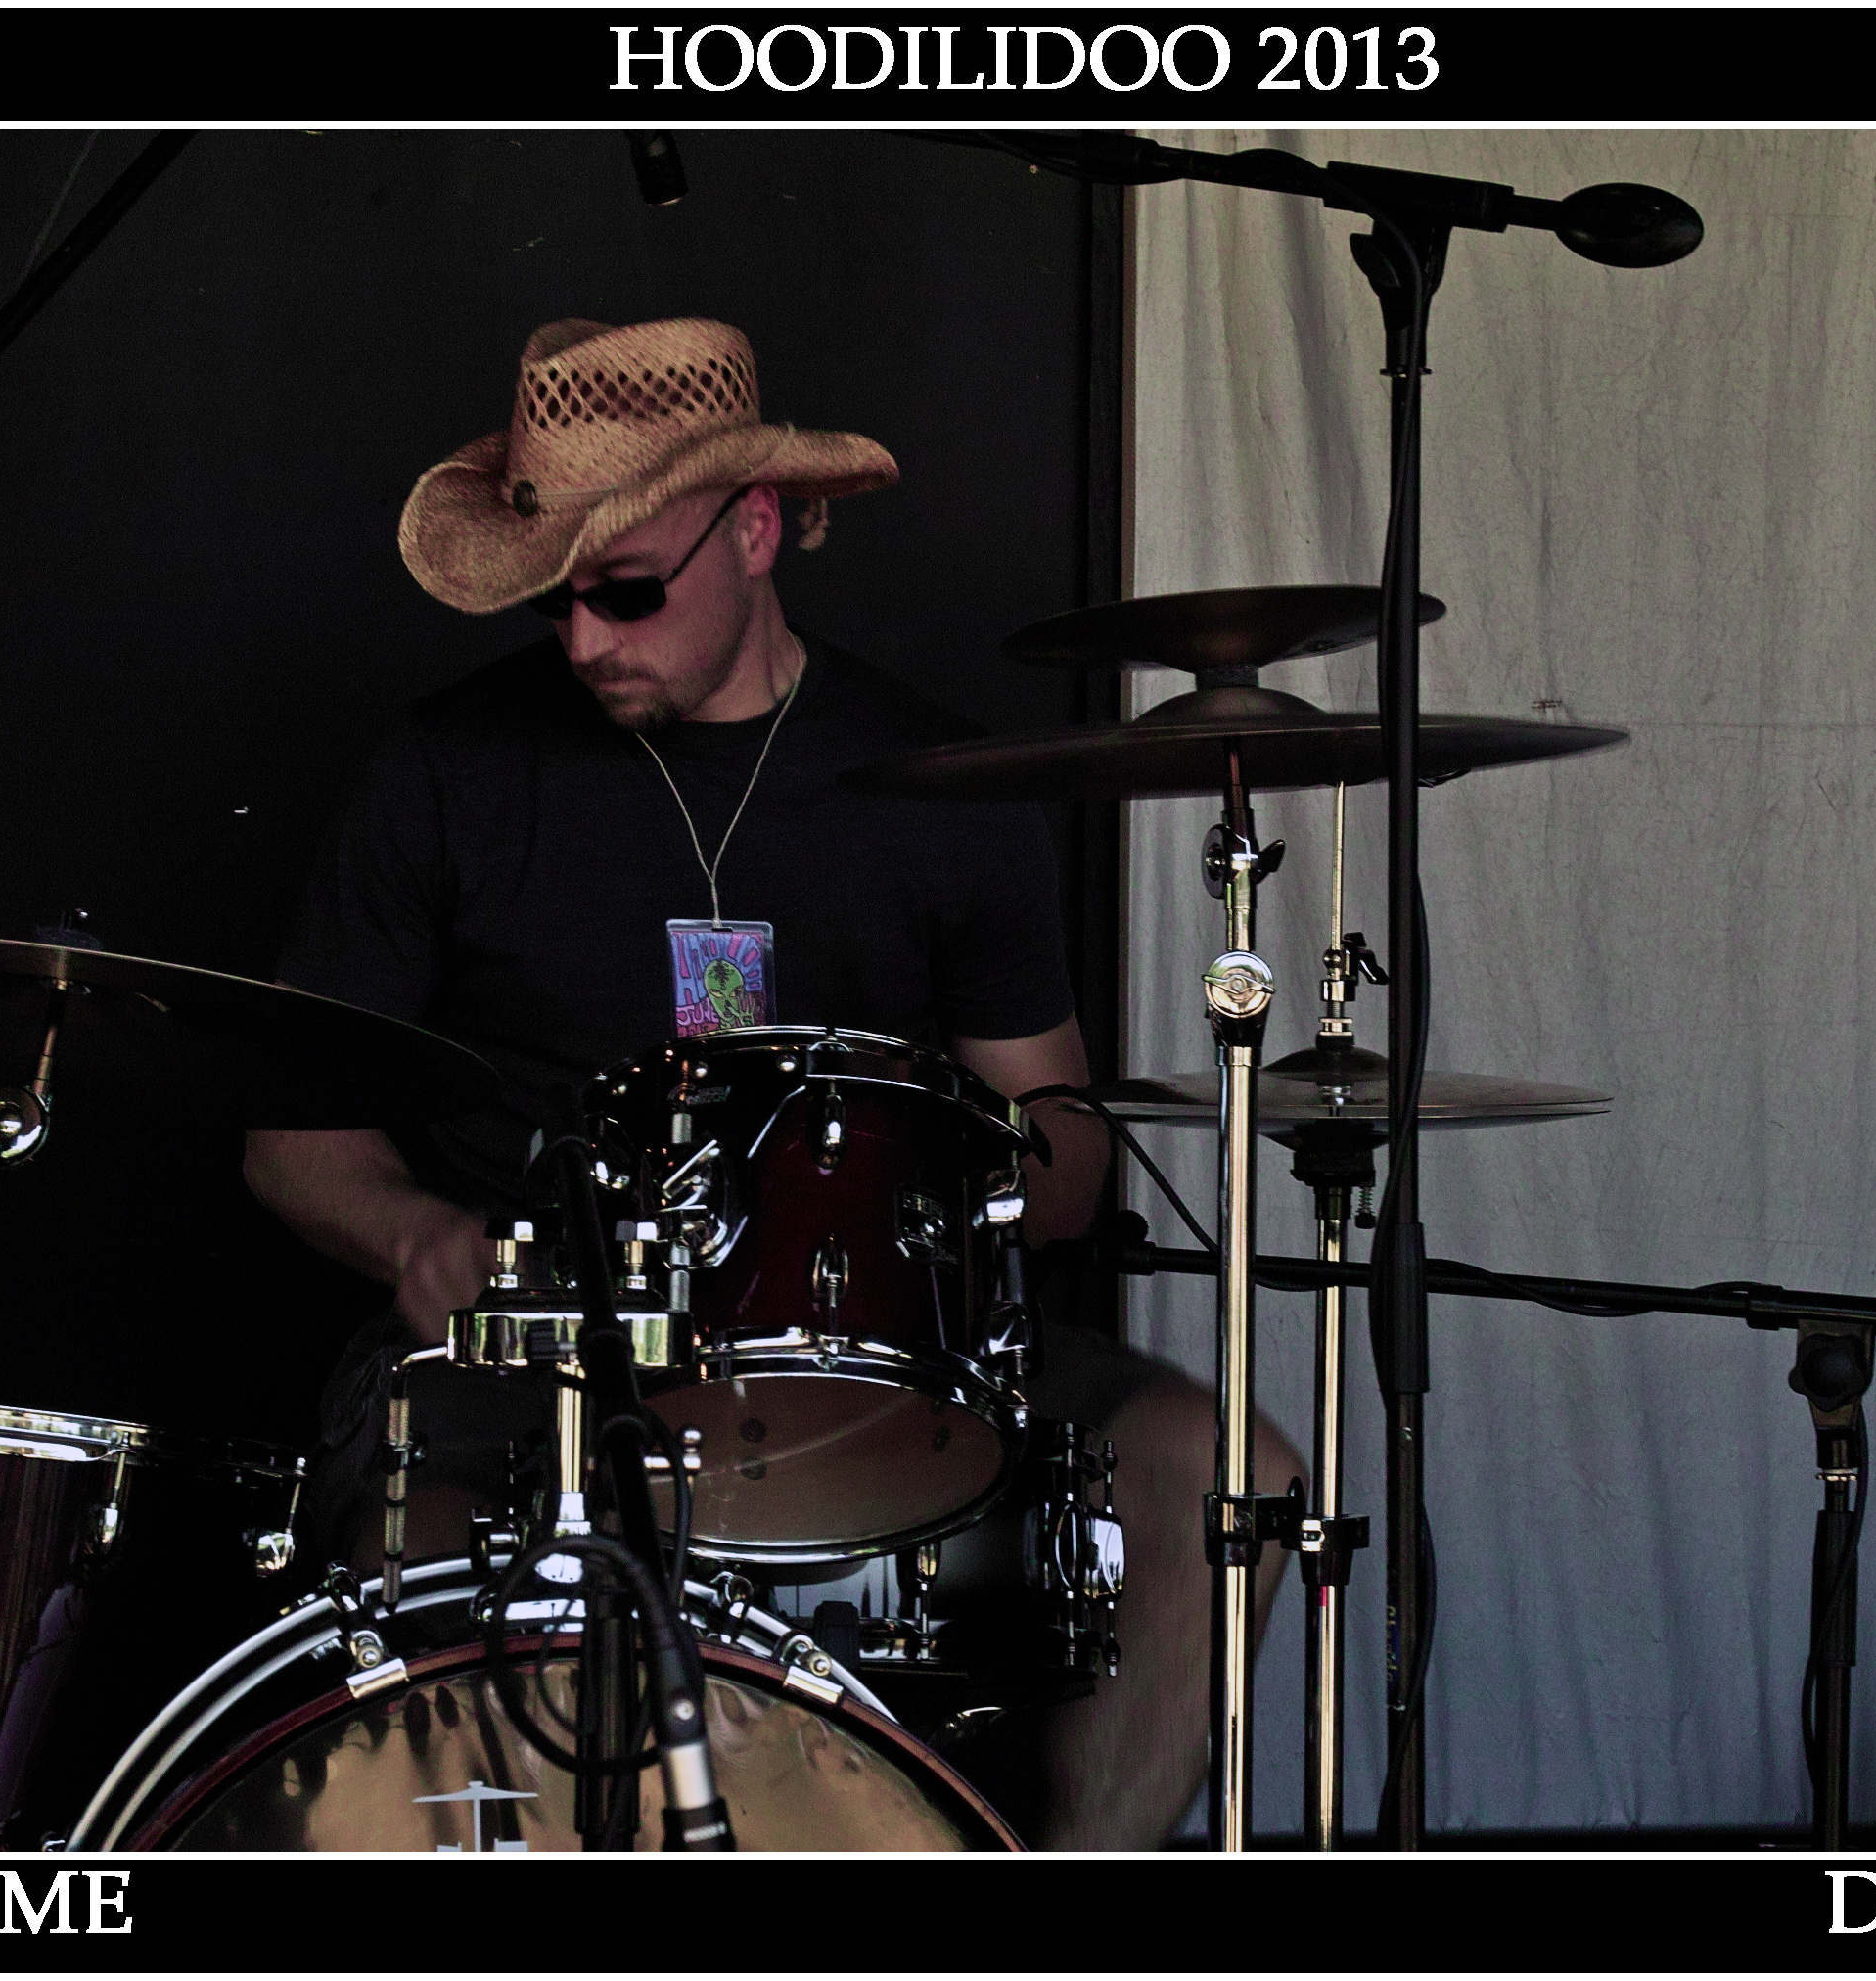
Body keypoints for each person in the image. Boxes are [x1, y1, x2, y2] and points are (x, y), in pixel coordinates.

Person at [245, 316, 1298, 1851]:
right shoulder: (444, 772)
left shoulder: (943, 789)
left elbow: (1065, 1155)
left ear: (751, 530)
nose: (584, 641)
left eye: (624, 590)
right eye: (554, 600)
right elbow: (292, 1138)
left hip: (872, 1349)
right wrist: (414, 1234)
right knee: (431, 1565)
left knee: (1228, 1470)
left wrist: (928, 1185)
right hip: (524, 1350)